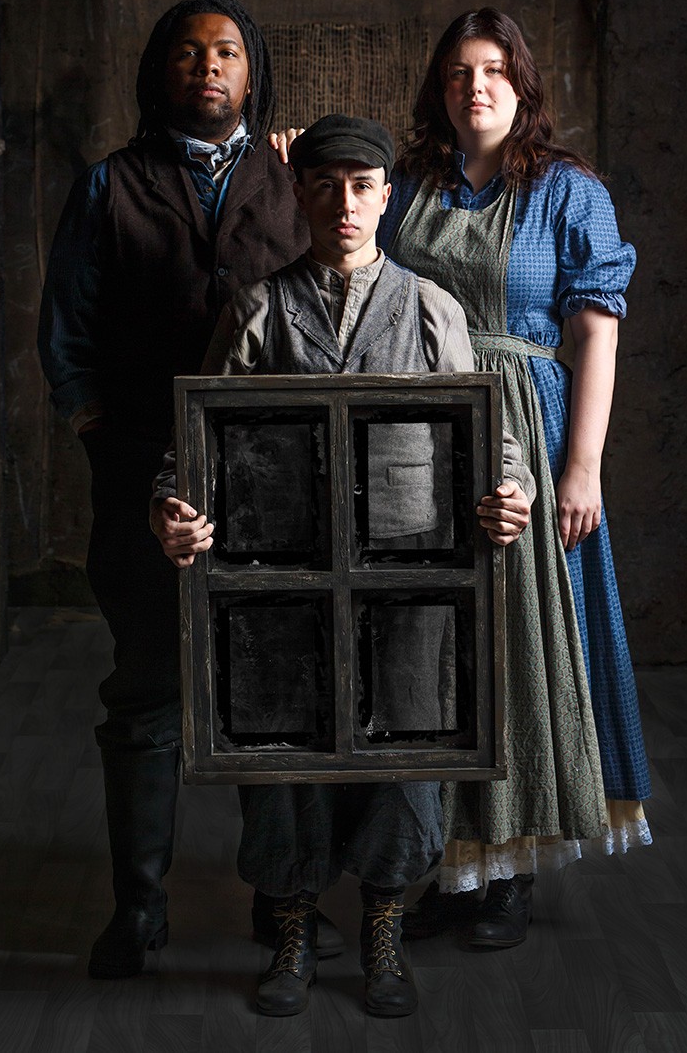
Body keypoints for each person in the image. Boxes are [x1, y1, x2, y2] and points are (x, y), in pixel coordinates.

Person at [149, 115, 536, 1016]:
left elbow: (494, 441)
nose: (345, 203)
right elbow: (189, 446)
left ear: (386, 196)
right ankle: (290, 928)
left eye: (363, 186)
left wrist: (507, 493)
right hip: (281, 571)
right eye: (324, 185)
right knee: (286, 751)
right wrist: (172, 510)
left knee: (406, 747)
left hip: (410, 569)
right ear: (300, 193)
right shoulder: (257, 310)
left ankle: (385, 926)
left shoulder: (433, 308)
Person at [36, 0, 328, 980]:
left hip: (275, 482)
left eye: (229, 53)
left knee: (269, 694)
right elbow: (65, 324)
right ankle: (139, 908)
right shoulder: (109, 184)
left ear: (253, 75)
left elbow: (349, 289)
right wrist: (96, 425)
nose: (209, 67)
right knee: (149, 692)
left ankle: (276, 900)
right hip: (138, 481)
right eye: (191, 53)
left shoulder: (295, 175)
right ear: (163, 70)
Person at [375, 7, 652, 945]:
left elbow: (594, 335)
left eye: (494, 70)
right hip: (416, 428)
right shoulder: (407, 184)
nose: (475, 86)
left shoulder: (571, 191)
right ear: (438, 89)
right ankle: (445, 863)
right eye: (457, 72)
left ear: (523, 86)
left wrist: (583, 467)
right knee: (434, 649)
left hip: (527, 430)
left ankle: (513, 868)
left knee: (523, 648)